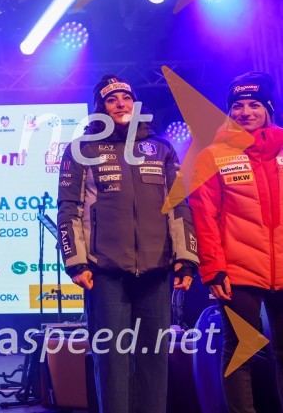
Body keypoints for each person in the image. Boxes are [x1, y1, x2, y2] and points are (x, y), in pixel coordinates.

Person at [57, 74, 198, 413]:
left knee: (154, 359)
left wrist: (186, 258)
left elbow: (179, 206)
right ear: (100, 109)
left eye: (125, 97)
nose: (120, 104)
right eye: (111, 99)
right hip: (106, 273)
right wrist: (76, 262)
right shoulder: (81, 150)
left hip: (156, 271)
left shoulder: (161, 148)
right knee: (111, 361)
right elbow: (69, 208)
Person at [190, 71, 283, 413]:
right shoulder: (213, 155)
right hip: (238, 270)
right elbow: (204, 217)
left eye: (254, 105)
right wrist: (213, 269)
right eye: (238, 106)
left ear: (268, 108)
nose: (245, 112)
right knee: (240, 349)